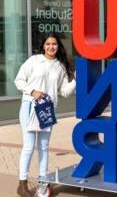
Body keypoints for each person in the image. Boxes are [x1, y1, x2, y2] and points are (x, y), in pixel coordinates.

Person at [14, 32, 76, 197]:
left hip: (47, 110)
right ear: (43, 45)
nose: (51, 47)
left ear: (58, 46)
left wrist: (76, 80)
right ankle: (22, 185)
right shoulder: (33, 61)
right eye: (48, 44)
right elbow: (19, 80)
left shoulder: (60, 67)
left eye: (54, 44)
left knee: (43, 147)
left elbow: (64, 92)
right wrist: (32, 91)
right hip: (29, 106)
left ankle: (43, 183)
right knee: (28, 147)